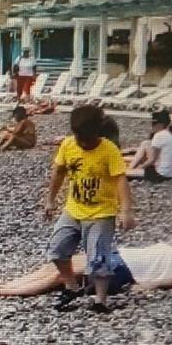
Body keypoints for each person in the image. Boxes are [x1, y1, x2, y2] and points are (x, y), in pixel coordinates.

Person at [42, 104, 136, 313]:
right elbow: (58, 172)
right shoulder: (68, 145)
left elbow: (121, 180)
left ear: (97, 132)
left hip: (101, 214)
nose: (82, 143)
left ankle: (100, 301)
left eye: (87, 138)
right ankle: (72, 287)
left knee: (98, 258)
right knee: (57, 249)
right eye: (79, 138)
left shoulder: (109, 150)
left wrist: (126, 210)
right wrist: (50, 200)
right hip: (73, 210)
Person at [0, 236, 172, 299]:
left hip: (122, 269)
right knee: (54, 266)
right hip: (117, 258)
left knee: (57, 276)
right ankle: (5, 285)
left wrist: (148, 286)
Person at [124, 110, 172, 181]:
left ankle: (130, 168)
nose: (152, 126)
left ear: (160, 124)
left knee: (145, 144)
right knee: (146, 143)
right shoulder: (171, 136)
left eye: (154, 124)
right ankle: (131, 167)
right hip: (169, 174)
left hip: (159, 175)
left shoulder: (159, 135)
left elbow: (152, 160)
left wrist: (140, 168)